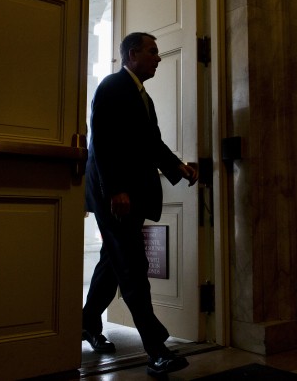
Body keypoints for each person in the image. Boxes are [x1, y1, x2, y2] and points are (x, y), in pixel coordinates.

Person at [82, 32, 198, 376]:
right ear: (133, 54)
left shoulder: (139, 93)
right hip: (115, 194)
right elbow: (101, 143)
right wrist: (116, 189)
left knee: (113, 259)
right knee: (132, 263)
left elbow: (152, 142)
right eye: (153, 51)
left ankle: (87, 323)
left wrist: (177, 166)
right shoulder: (112, 86)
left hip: (127, 192)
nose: (159, 58)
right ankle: (156, 348)